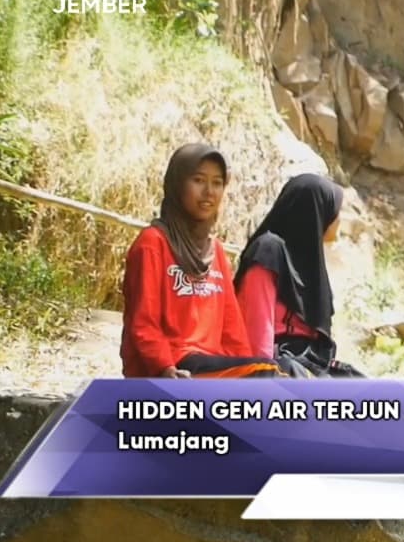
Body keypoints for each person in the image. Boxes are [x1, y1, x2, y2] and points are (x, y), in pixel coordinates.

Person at [120, 143, 283, 379]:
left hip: (210, 366)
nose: (209, 192)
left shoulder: (214, 249)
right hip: (171, 367)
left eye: (217, 183)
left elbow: (232, 329)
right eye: (198, 180)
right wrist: (165, 369)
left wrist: (244, 367)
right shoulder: (152, 243)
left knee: (276, 376)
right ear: (177, 184)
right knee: (268, 374)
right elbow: (144, 323)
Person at [234, 173, 364, 378]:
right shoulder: (269, 252)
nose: (339, 217)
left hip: (307, 362)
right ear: (315, 210)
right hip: (277, 365)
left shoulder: (309, 263)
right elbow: (257, 331)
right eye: (335, 209)